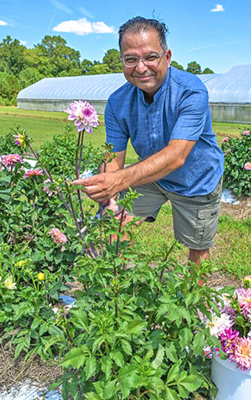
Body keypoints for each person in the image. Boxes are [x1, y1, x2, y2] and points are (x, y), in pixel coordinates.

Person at [73, 16, 224, 267]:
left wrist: (118, 181)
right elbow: (114, 158)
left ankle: (196, 304)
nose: (141, 67)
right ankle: (117, 292)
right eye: (131, 59)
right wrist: (107, 193)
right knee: (116, 223)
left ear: (167, 56)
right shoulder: (118, 101)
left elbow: (177, 155)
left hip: (197, 180)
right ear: (122, 61)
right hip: (151, 176)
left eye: (150, 57)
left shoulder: (190, 90)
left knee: (197, 248)